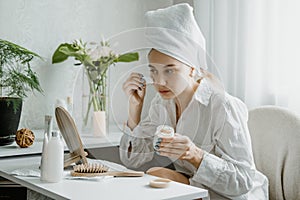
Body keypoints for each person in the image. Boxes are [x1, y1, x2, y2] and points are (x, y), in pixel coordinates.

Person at [120, 3, 268, 200]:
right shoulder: (162, 104)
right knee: (155, 174)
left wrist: (195, 155)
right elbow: (133, 160)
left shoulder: (223, 106)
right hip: (195, 190)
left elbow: (243, 181)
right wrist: (134, 109)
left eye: (170, 70)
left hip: (235, 196)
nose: (159, 81)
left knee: (158, 176)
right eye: (153, 70)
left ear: (191, 68)